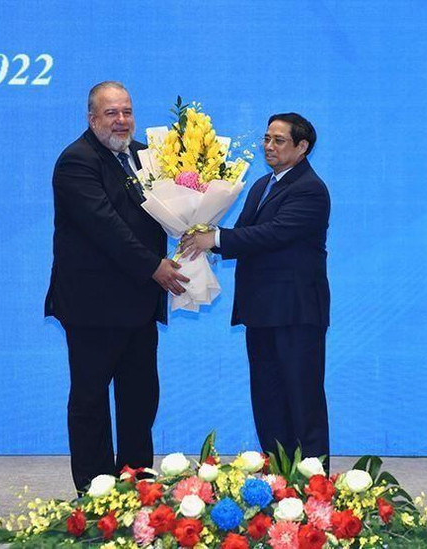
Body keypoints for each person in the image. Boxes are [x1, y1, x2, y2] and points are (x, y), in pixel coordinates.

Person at [44, 81, 189, 493]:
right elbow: (107, 227)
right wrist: (154, 267)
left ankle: (137, 486)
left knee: (139, 401)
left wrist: (194, 234)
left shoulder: (147, 155)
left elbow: (171, 210)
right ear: (92, 118)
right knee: (90, 403)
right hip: (93, 309)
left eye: (127, 111)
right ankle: (95, 494)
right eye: (111, 113)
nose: (121, 120)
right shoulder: (76, 162)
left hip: (139, 305)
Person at [180, 113, 331, 470]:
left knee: (302, 401)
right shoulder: (262, 185)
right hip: (261, 312)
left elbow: (273, 234)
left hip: (296, 314)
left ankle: (315, 485)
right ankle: (278, 480)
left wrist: (213, 239)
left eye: (279, 140)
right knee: (268, 401)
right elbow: (246, 235)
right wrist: (204, 241)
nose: (269, 146)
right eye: (267, 138)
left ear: (302, 147)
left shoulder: (310, 188)